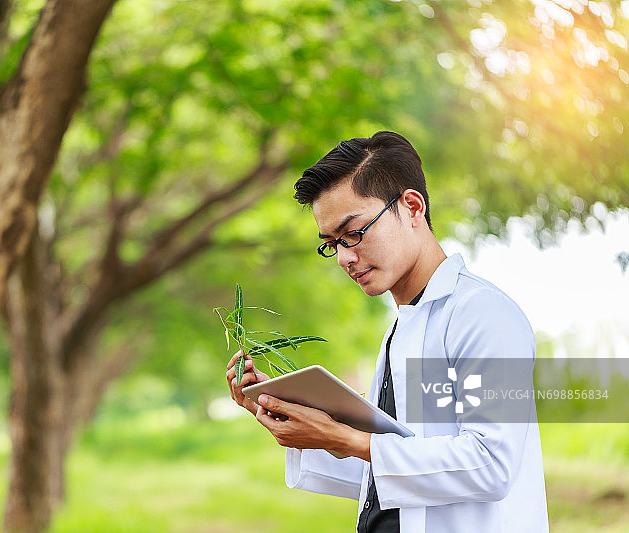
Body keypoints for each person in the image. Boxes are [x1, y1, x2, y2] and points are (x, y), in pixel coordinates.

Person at [226, 131, 548, 532]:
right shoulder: (401, 328)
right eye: (332, 244)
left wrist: (348, 439)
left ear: (412, 207)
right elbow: (383, 480)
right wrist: (286, 414)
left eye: (354, 232)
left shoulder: (481, 312)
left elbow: (490, 464)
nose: (345, 256)